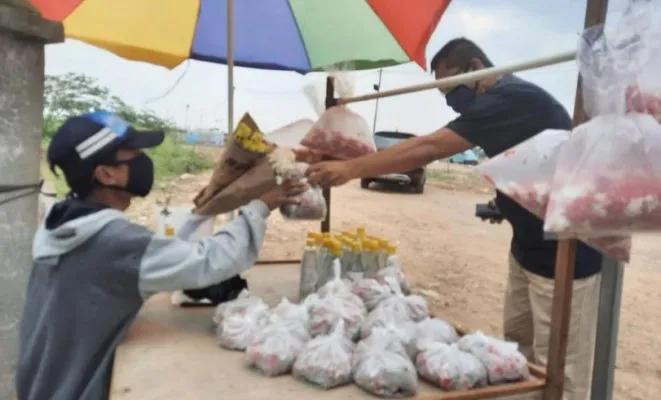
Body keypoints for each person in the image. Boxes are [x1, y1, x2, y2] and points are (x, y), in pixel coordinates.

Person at [307, 38, 601, 400]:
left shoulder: (511, 96)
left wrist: (351, 168)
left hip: (565, 257)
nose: (449, 100)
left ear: (476, 69)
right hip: (527, 248)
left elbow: (429, 147)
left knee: (562, 371)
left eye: (450, 88)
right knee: (517, 355)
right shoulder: (502, 104)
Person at [16, 111, 307, 400]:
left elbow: (155, 255)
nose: (144, 159)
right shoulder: (111, 241)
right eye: (134, 154)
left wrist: (198, 215)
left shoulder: (64, 221)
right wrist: (259, 208)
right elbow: (206, 261)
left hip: (43, 384)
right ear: (106, 174)